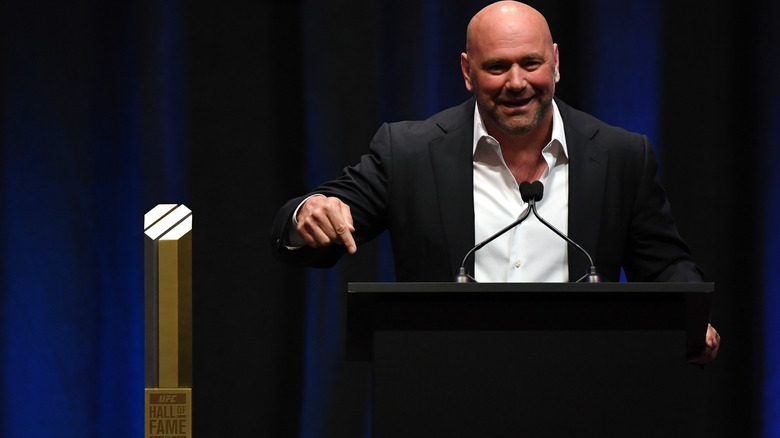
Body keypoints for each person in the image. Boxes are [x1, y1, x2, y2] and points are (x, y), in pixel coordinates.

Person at [270, 1, 719, 363]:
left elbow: (663, 266)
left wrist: (692, 314)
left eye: (531, 63)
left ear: (556, 63)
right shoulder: (408, 152)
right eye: (497, 66)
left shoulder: (621, 156)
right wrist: (307, 214)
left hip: (581, 391)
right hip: (443, 394)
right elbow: (314, 224)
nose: (517, 82)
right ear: (467, 71)